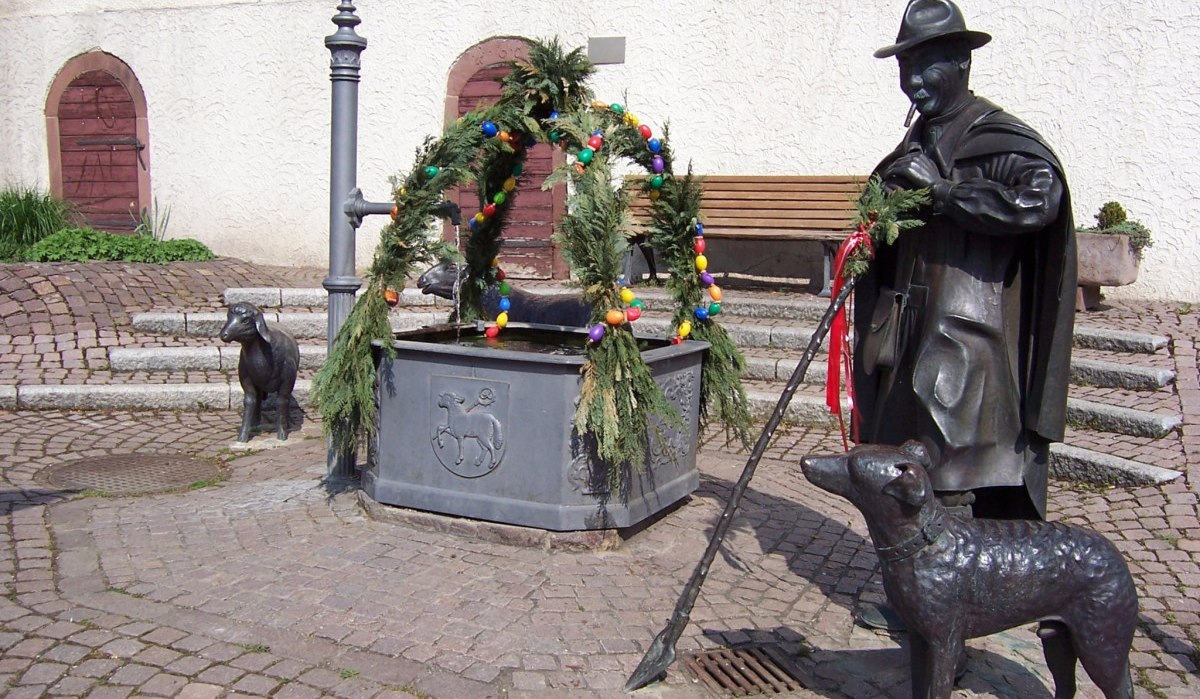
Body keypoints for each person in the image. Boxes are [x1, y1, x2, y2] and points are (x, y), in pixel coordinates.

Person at [852, 0, 1077, 522]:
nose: (913, 82)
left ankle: (954, 598)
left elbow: (1040, 202)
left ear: (961, 64)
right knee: (902, 470)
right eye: (906, 70)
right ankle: (918, 595)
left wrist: (948, 195)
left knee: (950, 475)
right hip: (906, 336)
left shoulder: (1000, 141)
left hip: (969, 341)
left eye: (925, 67)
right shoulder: (912, 145)